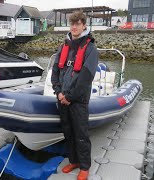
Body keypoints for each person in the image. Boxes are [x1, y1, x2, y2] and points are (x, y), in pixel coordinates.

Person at [51, 11, 98, 180]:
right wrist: (58, 92)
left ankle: (84, 166)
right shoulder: (64, 46)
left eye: (78, 24)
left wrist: (69, 96)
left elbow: (85, 78)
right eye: (72, 24)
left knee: (81, 134)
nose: (74, 27)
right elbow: (55, 71)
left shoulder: (90, 49)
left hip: (78, 101)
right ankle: (74, 161)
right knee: (68, 132)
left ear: (84, 25)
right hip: (62, 99)